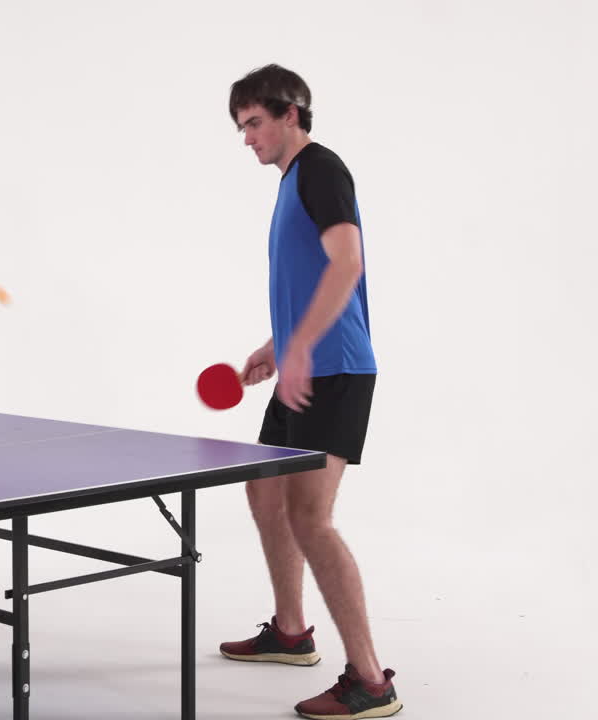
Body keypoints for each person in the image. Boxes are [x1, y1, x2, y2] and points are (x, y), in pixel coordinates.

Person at [218, 64, 402, 720]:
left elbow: (347, 262)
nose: (247, 138)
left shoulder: (321, 169)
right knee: (264, 489)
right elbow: (312, 275)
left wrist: (301, 350)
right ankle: (291, 633)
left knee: (311, 519)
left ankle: (370, 681)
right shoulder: (293, 181)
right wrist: (280, 344)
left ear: (290, 114)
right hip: (305, 365)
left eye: (254, 122)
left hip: (334, 370)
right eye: (241, 127)